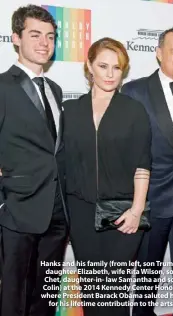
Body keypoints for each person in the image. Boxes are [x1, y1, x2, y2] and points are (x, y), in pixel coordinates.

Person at [63, 37, 151, 316]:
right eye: (103, 66)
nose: (111, 74)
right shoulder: (71, 111)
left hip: (123, 213)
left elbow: (142, 165)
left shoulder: (133, 110)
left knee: (113, 294)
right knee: (92, 293)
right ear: (89, 66)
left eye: (117, 67)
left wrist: (137, 210)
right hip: (80, 211)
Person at [121, 27, 173, 316]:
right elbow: (127, 148)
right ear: (158, 53)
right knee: (148, 267)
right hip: (152, 195)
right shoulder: (135, 91)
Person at [0, 5, 68, 316]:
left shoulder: (54, 88)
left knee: (45, 297)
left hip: (56, 212)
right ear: (16, 38)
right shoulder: (2, 86)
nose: (44, 42)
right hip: (17, 210)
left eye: (50, 36)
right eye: (35, 34)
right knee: (12, 297)